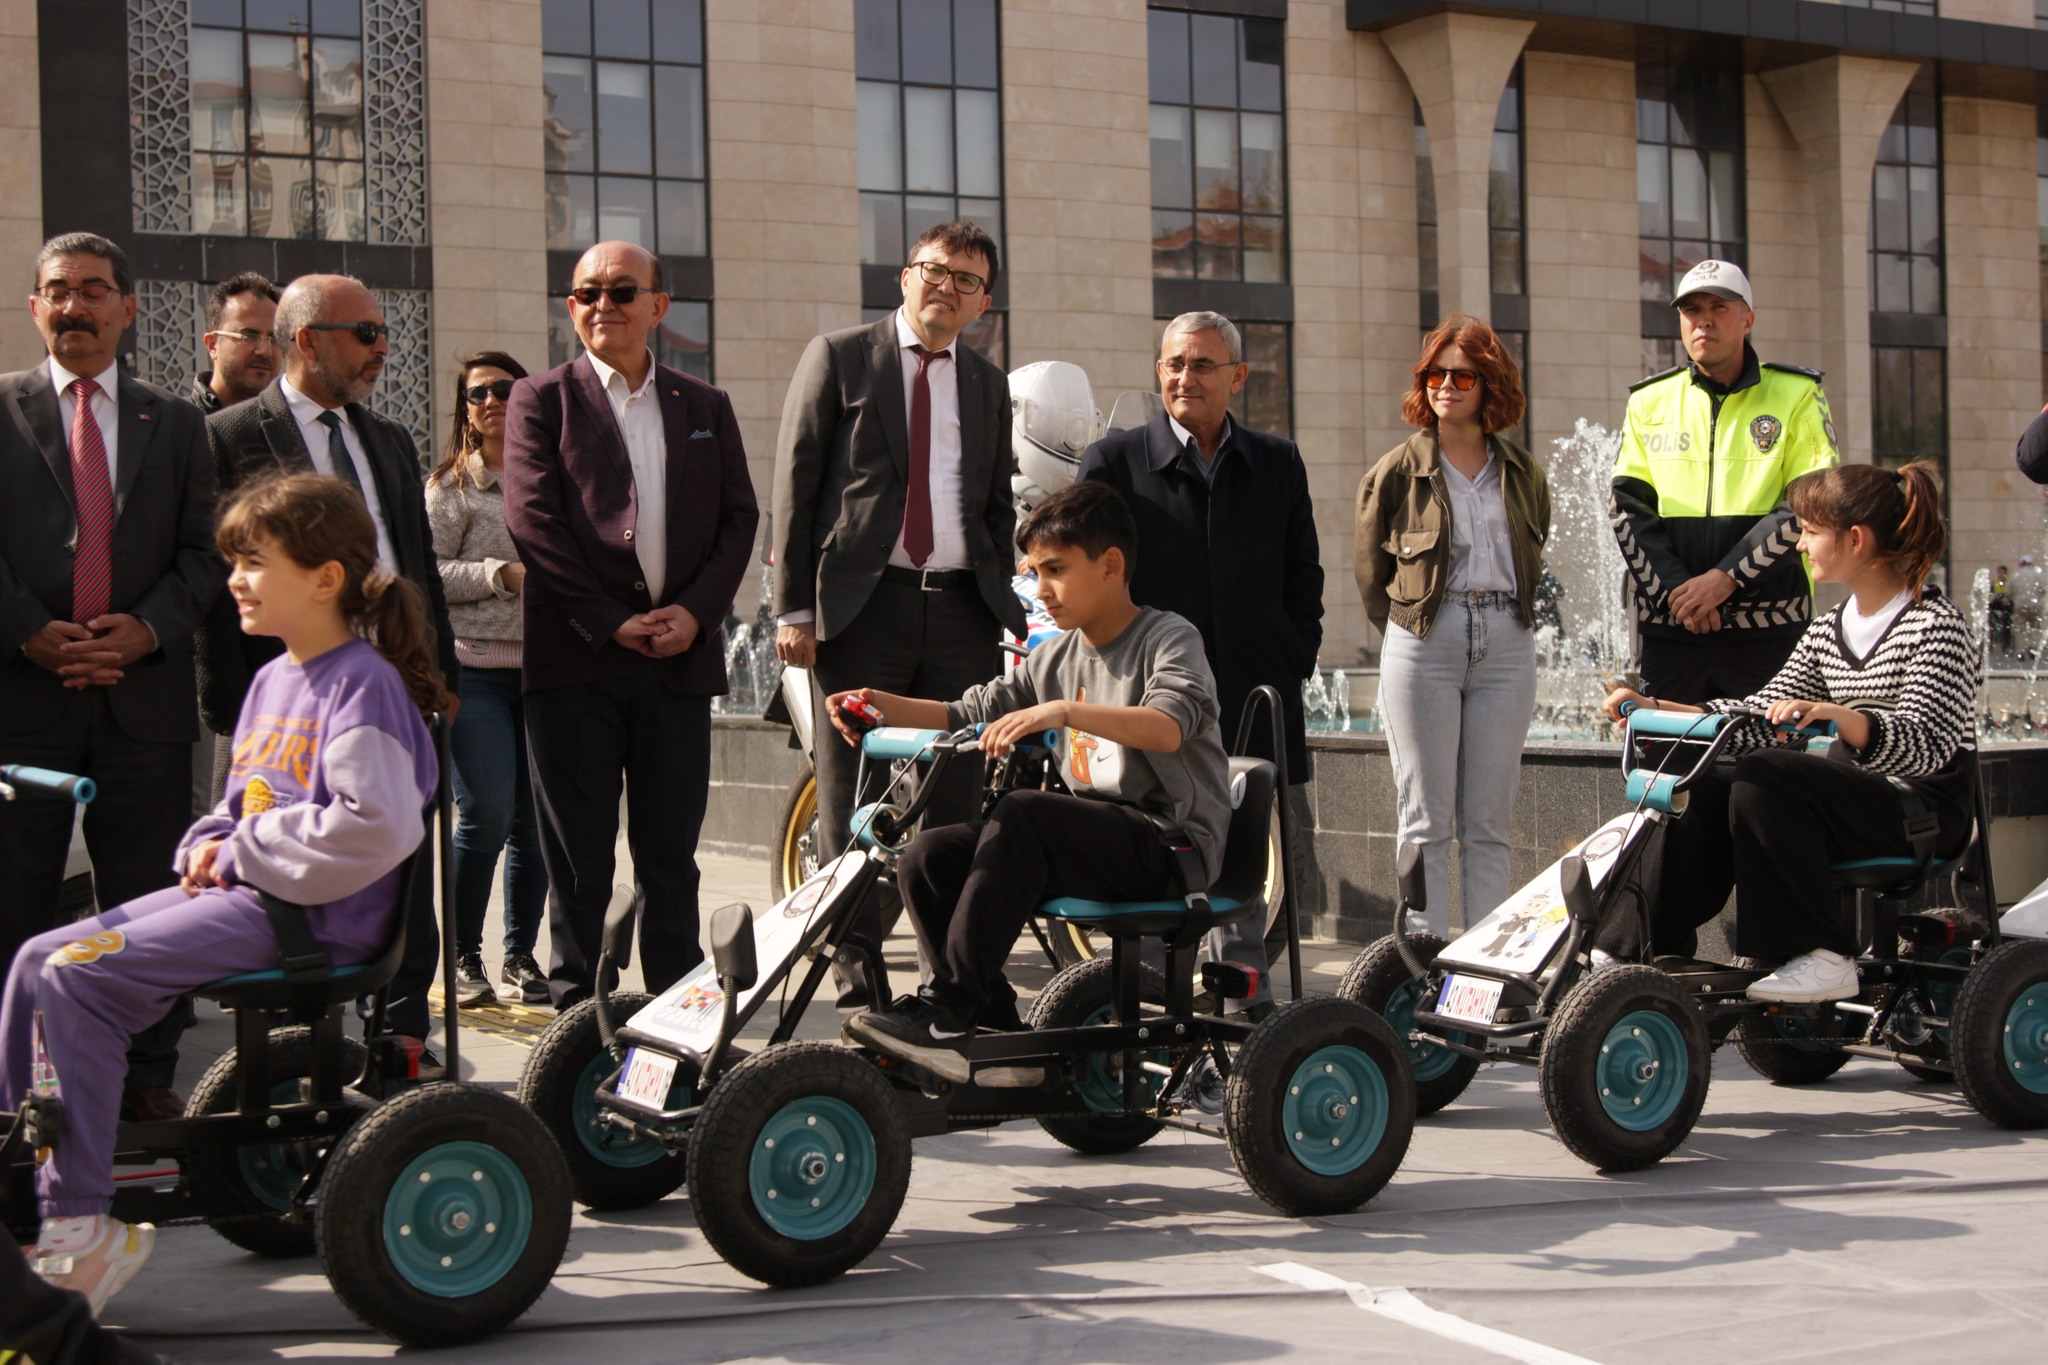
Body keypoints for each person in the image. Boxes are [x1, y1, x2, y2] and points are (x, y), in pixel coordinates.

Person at [1, 473, 442, 1315]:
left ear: (325, 579)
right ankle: (27, 1173)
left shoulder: (363, 684)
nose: (233, 578)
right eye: (234, 561)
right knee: (32, 959)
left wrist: (241, 847)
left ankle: (78, 1223)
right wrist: (211, 841)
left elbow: (376, 829)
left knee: (76, 978)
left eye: (253, 562)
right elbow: (239, 805)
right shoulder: (275, 678)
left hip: (314, 921)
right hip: (256, 900)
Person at [833, 481, 1230, 1081]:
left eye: (1055, 570)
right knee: (929, 853)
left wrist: (1062, 712)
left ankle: (947, 1011)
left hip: (1171, 844)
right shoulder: (1054, 656)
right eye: (1034, 571)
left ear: (1111, 565)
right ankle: (996, 1034)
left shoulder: (1169, 637)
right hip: (1093, 840)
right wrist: (878, 705)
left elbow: (1167, 728)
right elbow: (969, 712)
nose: (1040, 589)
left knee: (1023, 811)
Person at [198, 273, 460, 1055]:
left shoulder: (387, 439)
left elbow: (412, 562)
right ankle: (298, 1058)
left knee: (404, 883)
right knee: (293, 879)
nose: (383, 349)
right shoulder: (229, 436)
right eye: (366, 334)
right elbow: (220, 592)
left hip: (395, 698)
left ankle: (403, 1044)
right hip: (289, 708)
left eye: (383, 332)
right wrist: (232, 708)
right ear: (307, 340)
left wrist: (438, 676)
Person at [1601, 461, 1976, 1003]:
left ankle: (1821, 954)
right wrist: (1657, 706)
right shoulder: (1828, 629)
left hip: (1922, 812)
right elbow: (1755, 715)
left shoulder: (1937, 624)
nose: (1799, 544)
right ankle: (1629, 949)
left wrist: (1839, 716)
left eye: (1811, 531)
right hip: (1851, 800)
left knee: (1765, 775)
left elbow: (1927, 748)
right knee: (1705, 789)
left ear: (1855, 539)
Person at [771, 220, 1025, 1013]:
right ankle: (856, 985)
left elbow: (991, 507)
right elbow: (797, 482)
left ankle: (947, 983)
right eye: (936, 270)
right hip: (861, 612)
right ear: (905, 276)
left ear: (984, 301)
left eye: (968, 280)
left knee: (951, 810)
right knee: (853, 805)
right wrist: (794, 608)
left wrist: (1009, 600)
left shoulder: (987, 384)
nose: (948, 287)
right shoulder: (841, 355)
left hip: (960, 615)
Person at [0, 232, 220, 1124]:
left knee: (145, 902)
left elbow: (206, 554)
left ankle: (142, 1073)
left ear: (127, 308)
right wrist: (28, 634)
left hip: (144, 701)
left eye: (94, 290)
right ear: (34, 307)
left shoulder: (173, 421)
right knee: (15, 898)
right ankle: (23, 1080)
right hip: (23, 700)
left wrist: (144, 630)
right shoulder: (2, 408)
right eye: (57, 290)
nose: (74, 306)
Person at [504, 241, 759, 1009]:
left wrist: (697, 612)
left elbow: (738, 517)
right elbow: (533, 521)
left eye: (621, 290)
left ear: (658, 305)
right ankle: (578, 1018)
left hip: (676, 664)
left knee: (670, 863)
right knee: (579, 863)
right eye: (585, 293)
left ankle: (677, 1018)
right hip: (577, 662)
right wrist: (610, 621)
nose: (601, 305)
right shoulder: (539, 400)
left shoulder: (704, 405)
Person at [1078, 310, 1321, 1015]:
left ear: (1237, 377)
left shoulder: (1278, 462)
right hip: (1151, 705)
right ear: (1159, 371)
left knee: (1244, 860)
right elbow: (1086, 583)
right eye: (1174, 364)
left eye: (1203, 365)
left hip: (1252, 694)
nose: (1185, 377)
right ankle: (1152, 1008)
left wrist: (1291, 653)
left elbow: (1303, 576)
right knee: (1153, 856)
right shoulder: (1114, 461)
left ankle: (1243, 1009)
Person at [1355, 315, 1550, 937]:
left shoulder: (1522, 471)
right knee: (1424, 821)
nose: (1445, 385)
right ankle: (1421, 971)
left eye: (1461, 374)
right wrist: (1413, 632)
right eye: (1436, 374)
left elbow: (1534, 546)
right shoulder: (1395, 471)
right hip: (1423, 639)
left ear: (1489, 384)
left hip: (1507, 645)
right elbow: (1370, 573)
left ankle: (1486, 976)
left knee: (1489, 826)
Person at [1612, 259, 1839, 704]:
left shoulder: (1797, 393)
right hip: (1671, 629)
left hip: (1769, 630)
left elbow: (1810, 504)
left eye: (1719, 306)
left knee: (1767, 771)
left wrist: (1725, 579)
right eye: (1692, 310)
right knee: (1665, 769)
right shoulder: (1649, 400)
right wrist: (1681, 594)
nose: (1705, 320)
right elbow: (1626, 508)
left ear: (1748, 319)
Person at [426, 351, 548, 1006]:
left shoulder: (551, 479)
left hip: (547, 675)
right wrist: (500, 574)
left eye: (507, 389)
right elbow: (429, 573)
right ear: (464, 409)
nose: (493, 401)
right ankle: (464, 954)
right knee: (488, 811)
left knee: (538, 822)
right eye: (479, 393)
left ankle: (521, 955)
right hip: (474, 670)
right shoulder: (452, 487)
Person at [191, 272, 280, 413]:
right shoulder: (176, 424)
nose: (265, 351)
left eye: (274, 338)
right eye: (249, 336)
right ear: (212, 344)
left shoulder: (295, 428)